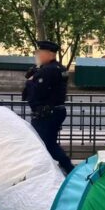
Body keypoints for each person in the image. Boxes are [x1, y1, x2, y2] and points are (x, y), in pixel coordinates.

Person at [26, 40, 74, 173]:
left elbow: (38, 92)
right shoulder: (60, 68)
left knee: (42, 144)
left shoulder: (47, 70)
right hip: (55, 111)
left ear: (49, 54)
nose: (38, 56)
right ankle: (65, 169)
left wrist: (30, 82)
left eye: (39, 53)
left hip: (46, 113)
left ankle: (67, 169)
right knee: (48, 144)